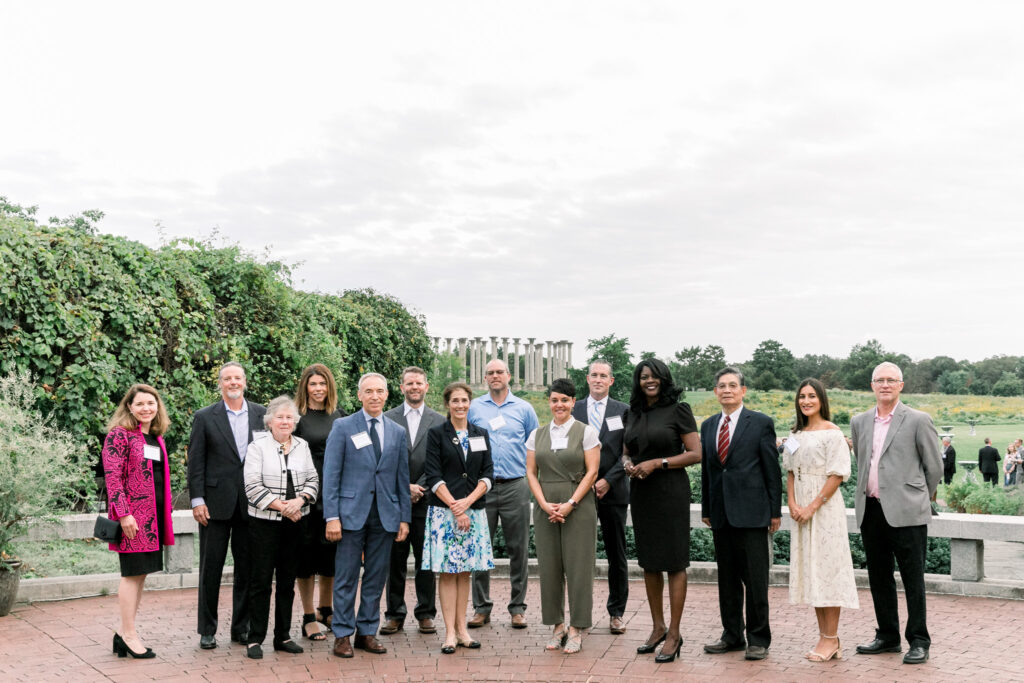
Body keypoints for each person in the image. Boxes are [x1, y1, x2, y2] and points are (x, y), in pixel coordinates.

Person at [851, 362, 942, 665]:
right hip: (871, 509)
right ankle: (887, 636)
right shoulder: (860, 421)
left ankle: (918, 640)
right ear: (872, 385)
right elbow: (862, 461)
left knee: (912, 578)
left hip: (908, 512)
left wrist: (916, 496)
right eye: (880, 380)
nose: (885, 385)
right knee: (879, 577)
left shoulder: (918, 420)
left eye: (892, 380)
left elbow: (934, 467)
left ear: (901, 385)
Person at [322, 373, 412, 658]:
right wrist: (331, 516)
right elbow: (331, 474)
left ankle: (367, 632)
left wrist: (404, 518)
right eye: (369, 391)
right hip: (349, 515)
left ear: (387, 395)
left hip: (385, 516)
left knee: (375, 578)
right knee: (346, 577)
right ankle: (342, 634)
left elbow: (401, 478)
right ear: (359, 395)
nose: (375, 396)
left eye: (380, 391)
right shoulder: (343, 426)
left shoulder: (397, 432)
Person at [700, 367, 781, 662]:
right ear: (715, 392)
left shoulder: (760, 423)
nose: (727, 390)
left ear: (743, 390)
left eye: (733, 385)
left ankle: (758, 639)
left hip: (752, 514)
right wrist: (707, 508)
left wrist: (774, 511)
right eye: (721, 386)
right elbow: (709, 472)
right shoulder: (709, 426)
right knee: (727, 580)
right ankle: (732, 635)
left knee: (756, 580)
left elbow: (771, 470)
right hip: (721, 515)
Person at [623, 359, 701, 663]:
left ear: (664, 379)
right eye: (644, 377)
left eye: (654, 376)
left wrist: (658, 463)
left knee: (674, 562)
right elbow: (626, 450)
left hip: (670, 492)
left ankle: (674, 633)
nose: (649, 381)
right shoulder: (633, 412)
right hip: (641, 493)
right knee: (649, 562)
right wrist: (627, 464)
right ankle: (657, 627)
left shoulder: (678, 410)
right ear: (638, 381)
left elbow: (696, 453)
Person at [188, 362, 266, 650]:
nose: (233, 382)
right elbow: (196, 462)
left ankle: (241, 628)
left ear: (245, 381)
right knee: (211, 570)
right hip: (214, 505)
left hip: (252, 504)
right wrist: (197, 500)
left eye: (238, 378)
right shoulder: (205, 417)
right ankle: (207, 630)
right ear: (220, 383)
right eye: (227, 379)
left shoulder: (261, 414)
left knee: (247, 569)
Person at [783, 378, 859, 662]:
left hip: (824, 508)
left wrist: (813, 506)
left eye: (812, 396)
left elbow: (837, 475)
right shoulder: (795, 435)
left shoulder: (833, 433)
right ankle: (824, 636)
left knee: (828, 568)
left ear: (821, 400)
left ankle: (831, 638)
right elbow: (789, 472)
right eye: (802, 396)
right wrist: (791, 502)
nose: (806, 401)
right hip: (800, 507)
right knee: (812, 570)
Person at [525, 378, 601, 654]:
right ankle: (557, 626)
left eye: (565, 400)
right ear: (549, 402)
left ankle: (578, 627)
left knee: (579, 567)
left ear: (573, 402)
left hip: (578, 504)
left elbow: (592, 472)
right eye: (555, 399)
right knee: (550, 566)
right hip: (545, 504)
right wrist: (543, 504)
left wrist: (570, 502)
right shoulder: (537, 434)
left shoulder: (586, 432)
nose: (559, 405)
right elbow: (531, 472)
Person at [243, 396, 319, 659]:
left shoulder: (303, 446)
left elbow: (313, 480)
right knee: (261, 581)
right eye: (280, 417)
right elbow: (252, 486)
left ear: (295, 422)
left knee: (287, 581)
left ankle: (283, 636)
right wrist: (282, 506)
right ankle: (255, 639)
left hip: (296, 523)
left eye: (289, 418)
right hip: (264, 524)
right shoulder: (257, 447)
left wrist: (298, 502)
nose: (285, 422)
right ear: (269, 421)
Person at [102, 384, 175, 659]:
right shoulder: (119, 436)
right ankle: (130, 635)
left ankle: (123, 634)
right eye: (140, 404)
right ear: (129, 407)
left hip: (153, 520)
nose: (146, 408)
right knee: (131, 575)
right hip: (132, 519)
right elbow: (113, 478)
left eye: (151, 403)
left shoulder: (155, 437)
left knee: (140, 575)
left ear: (158, 407)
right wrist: (123, 514)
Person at [422, 382, 495, 653]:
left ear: (470, 402)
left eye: (464, 400)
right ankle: (449, 633)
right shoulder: (436, 434)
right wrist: (456, 506)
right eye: (455, 401)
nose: (460, 405)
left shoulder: (481, 434)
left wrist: (468, 503)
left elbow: (488, 473)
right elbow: (433, 476)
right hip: (444, 513)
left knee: (465, 573)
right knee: (447, 574)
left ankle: (463, 629)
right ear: (447, 404)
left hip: (473, 512)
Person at [467, 359, 539, 629]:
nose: (495, 376)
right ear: (485, 378)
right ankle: (481, 607)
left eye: (500, 372)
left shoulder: (524, 408)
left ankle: (517, 608)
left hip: (515, 484)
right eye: (490, 373)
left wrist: (533, 480)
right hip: (482, 486)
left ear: (509, 376)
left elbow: (534, 445)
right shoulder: (475, 408)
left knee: (518, 549)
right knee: (480, 548)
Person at [381, 367, 444, 636]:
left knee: (425, 560)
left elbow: (441, 461)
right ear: (401, 386)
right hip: (394, 501)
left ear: (426, 386)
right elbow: (381, 460)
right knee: (394, 561)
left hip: (428, 500)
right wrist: (404, 487)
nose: (414, 387)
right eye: (409, 383)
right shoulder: (386, 418)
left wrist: (422, 487)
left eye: (419, 383)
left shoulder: (440, 420)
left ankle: (426, 613)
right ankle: (394, 613)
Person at [570, 360, 630, 635]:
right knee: (578, 554)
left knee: (616, 553)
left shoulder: (623, 411)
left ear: (611, 381)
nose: (598, 379)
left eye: (603, 375)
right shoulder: (574, 408)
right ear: (587, 378)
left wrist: (608, 479)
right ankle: (579, 613)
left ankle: (616, 613)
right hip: (579, 492)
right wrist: (586, 482)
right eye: (593, 375)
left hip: (613, 490)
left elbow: (628, 453)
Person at [292, 364, 347, 641]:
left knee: (331, 558)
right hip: (305, 497)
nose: (318, 389)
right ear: (305, 387)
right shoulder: (297, 417)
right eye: (313, 384)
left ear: (330, 387)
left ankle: (328, 610)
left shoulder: (340, 416)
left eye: (322, 384)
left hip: (333, 496)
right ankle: (309, 616)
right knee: (306, 559)